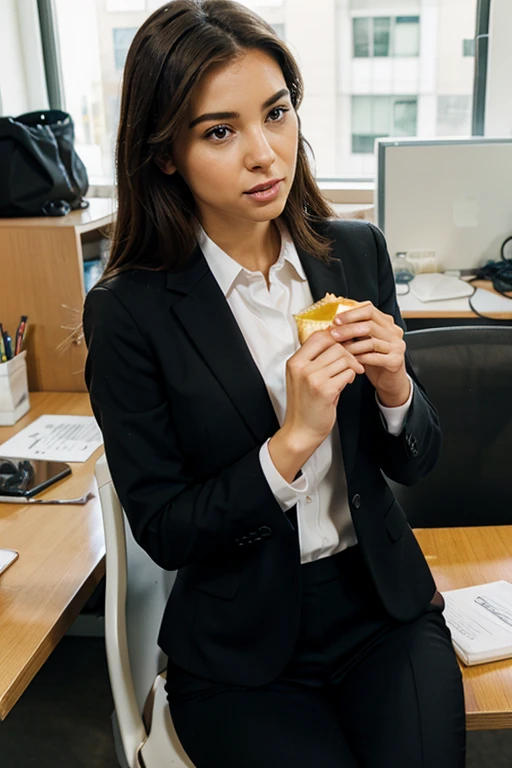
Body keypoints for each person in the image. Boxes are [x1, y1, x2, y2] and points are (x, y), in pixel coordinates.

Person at [82, 1, 466, 766]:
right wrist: (288, 446)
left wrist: (395, 389)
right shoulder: (128, 312)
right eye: (220, 131)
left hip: (380, 607)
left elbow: (414, 463)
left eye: (277, 113)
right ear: (165, 155)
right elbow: (163, 527)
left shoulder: (354, 253)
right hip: (238, 646)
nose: (265, 153)